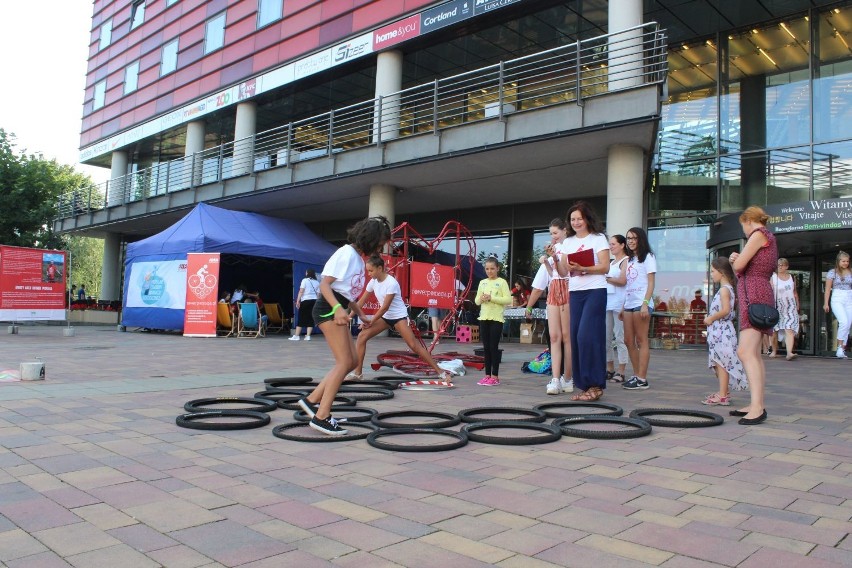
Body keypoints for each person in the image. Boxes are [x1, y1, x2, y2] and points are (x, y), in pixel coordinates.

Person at [297, 216, 391, 436]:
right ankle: (322, 416)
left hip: (338, 308)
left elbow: (347, 295)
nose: (382, 247)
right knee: (344, 362)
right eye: (381, 242)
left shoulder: (358, 259)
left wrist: (362, 315)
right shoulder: (345, 253)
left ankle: (311, 401)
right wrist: (338, 310)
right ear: (371, 238)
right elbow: (325, 284)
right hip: (328, 309)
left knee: (353, 361)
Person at [347, 255, 453, 382]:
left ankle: (441, 373)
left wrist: (371, 322)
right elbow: (361, 301)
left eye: (371, 271)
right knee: (362, 337)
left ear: (380, 268)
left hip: (398, 317)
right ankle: (358, 374)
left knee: (414, 345)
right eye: (367, 271)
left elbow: (384, 307)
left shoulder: (391, 283)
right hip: (386, 318)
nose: (369, 274)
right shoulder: (373, 282)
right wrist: (349, 317)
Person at [555, 202, 610, 402]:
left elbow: (605, 267)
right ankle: (585, 385)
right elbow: (562, 272)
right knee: (576, 337)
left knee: (588, 335)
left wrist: (584, 267)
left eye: (579, 218)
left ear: (587, 219)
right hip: (575, 292)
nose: (576, 222)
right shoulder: (567, 242)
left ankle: (596, 384)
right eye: (572, 219)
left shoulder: (598, 238)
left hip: (595, 290)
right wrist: (554, 258)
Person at [729, 206, 777, 425]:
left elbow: (739, 265)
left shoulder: (758, 234)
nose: (745, 232)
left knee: (745, 351)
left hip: (754, 295)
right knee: (754, 354)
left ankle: (757, 407)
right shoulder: (766, 236)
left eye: (743, 227)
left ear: (749, 221)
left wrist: (734, 260)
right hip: (758, 292)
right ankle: (756, 403)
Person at [702, 257, 747, 406]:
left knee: (721, 362)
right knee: (719, 361)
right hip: (720, 331)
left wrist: (711, 318)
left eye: (713, 271)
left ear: (721, 272)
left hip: (721, 331)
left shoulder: (724, 290)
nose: (711, 274)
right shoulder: (728, 289)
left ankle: (722, 395)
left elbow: (726, 310)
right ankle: (723, 391)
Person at [540, 218, 573, 395]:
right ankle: (555, 378)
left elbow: (564, 272)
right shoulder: (557, 247)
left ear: (564, 230)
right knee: (554, 336)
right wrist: (547, 261)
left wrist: (554, 257)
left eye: (555, 232)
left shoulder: (568, 245)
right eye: (551, 233)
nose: (553, 236)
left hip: (567, 287)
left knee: (566, 336)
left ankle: (567, 377)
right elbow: (554, 274)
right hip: (554, 288)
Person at [621, 227, 657, 391]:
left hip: (641, 303)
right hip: (628, 303)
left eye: (634, 238)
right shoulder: (629, 260)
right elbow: (627, 284)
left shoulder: (648, 257)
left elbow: (651, 283)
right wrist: (622, 305)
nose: (630, 241)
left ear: (640, 239)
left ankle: (642, 378)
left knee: (641, 340)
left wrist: (645, 302)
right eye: (628, 238)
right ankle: (636, 375)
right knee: (628, 341)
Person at [474, 256, 511, 386]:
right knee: (485, 348)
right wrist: (483, 299)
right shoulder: (482, 282)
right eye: (487, 269)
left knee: (493, 347)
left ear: (498, 269)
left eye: (492, 269)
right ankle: (487, 375)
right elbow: (476, 301)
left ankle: (495, 376)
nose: (489, 271)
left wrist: (492, 298)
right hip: (484, 317)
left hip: (496, 318)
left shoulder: (502, 282)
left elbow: (508, 300)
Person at [604, 234, 629, 384]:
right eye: (610, 244)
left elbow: (623, 281)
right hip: (608, 303)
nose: (610, 246)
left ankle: (621, 371)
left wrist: (606, 279)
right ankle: (609, 369)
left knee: (620, 338)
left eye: (613, 244)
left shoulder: (626, 261)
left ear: (622, 245)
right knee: (606, 339)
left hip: (619, 303)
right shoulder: (612, 263)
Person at [824, 250, 852, 359]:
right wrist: (825, 303)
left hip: (849, 297)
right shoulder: (832, 272)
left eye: (847, 261)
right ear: (838, 261)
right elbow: (827, 289)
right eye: (843, 261)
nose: (845, 263)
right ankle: (840, 347)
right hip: (837, 297)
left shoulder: (851, 271)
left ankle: (842, 348)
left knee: (848, 323)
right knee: (844, 321)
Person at [771, 258, 799, 360]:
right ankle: (774, 350)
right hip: (776, 306)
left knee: (789, 328)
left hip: (790, 306)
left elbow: (794, 292)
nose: (780, 267)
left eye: (782, 265)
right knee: (774, 330)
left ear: (787, 266)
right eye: (778, 265)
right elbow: (769, 292)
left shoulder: (791, 277)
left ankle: (789, 353)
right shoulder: (773, 278)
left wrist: (797, 304)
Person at [290, 269, 320, 341]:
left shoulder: (305, 280)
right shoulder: (317, 282)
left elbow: (301, 291)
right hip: (314, 301)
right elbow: (318, 294)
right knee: (310, 318)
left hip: (306, 300)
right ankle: (308, 336)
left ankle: (297, 336)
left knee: (301, 317)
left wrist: (298, 301)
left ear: (307, 273)